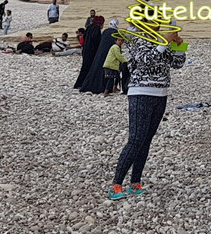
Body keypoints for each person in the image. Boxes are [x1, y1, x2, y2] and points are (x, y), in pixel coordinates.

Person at [108, 27, 186, 199]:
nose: (157, 23)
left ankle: (135, 182)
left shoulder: (161, 38)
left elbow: (177, 64)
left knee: (146, 140)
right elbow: (144, 60)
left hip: (161, 94)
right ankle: (116, 185)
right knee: (136, 139)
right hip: (140, 92)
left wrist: (179, 46)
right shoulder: (135, 38)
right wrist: (164, 42)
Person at [79, 18, 117, 94]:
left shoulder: (100, 30)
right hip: (95, 52)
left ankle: (81, 84)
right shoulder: (98, 29)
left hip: (91, 52)